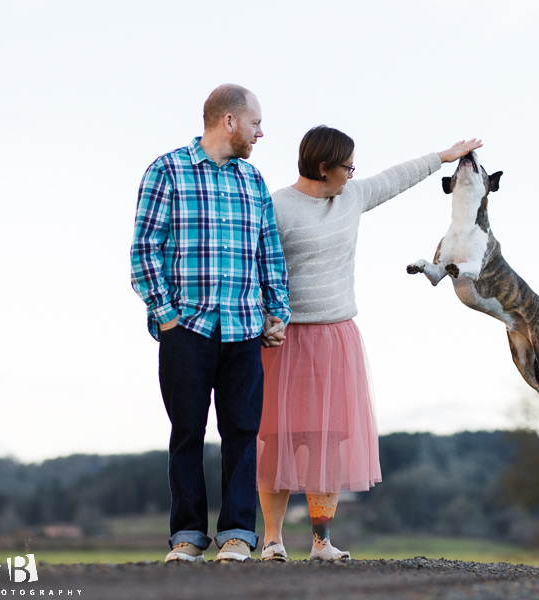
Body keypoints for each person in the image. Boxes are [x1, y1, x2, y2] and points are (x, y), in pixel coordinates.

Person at [256, 125, 482, 561]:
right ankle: (272, 542)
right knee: (280, 439)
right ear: (323, 167)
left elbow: (396, 178)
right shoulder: (276, 206)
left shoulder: (352, 198)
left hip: (336, 336)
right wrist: (264, 318)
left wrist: (445, 155)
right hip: (283, 339)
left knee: (328, 441)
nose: (353, 174)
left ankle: (321, 542)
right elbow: (255, 265)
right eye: (347, 167)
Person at [130, 84, 290, 563]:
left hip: (243, 328)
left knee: (242, 432)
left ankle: (238, 535)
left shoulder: (253, 181)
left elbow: (270, 252)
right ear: (229, 121)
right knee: (187, 433)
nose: (261, 133)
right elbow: (143, 253)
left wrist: (277, 310)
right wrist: (168, 316)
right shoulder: (167, 171)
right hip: (187, 330)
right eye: (256, 123)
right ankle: (187, 538)